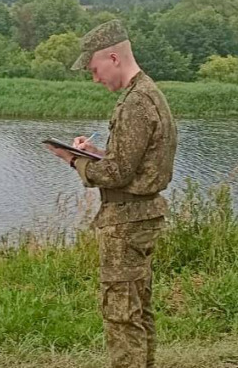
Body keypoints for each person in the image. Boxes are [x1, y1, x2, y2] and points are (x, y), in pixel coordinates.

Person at [45, 19, 177, 368]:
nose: (95, 78)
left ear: (113, 58)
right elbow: (132, 162)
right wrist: (97, 153)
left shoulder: (136, 102)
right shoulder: (149, 93)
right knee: (136, 309)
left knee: (121, 315)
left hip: (128, 222)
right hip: (141, 217)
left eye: (94, 69)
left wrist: (73, 159)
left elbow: (117, 174)